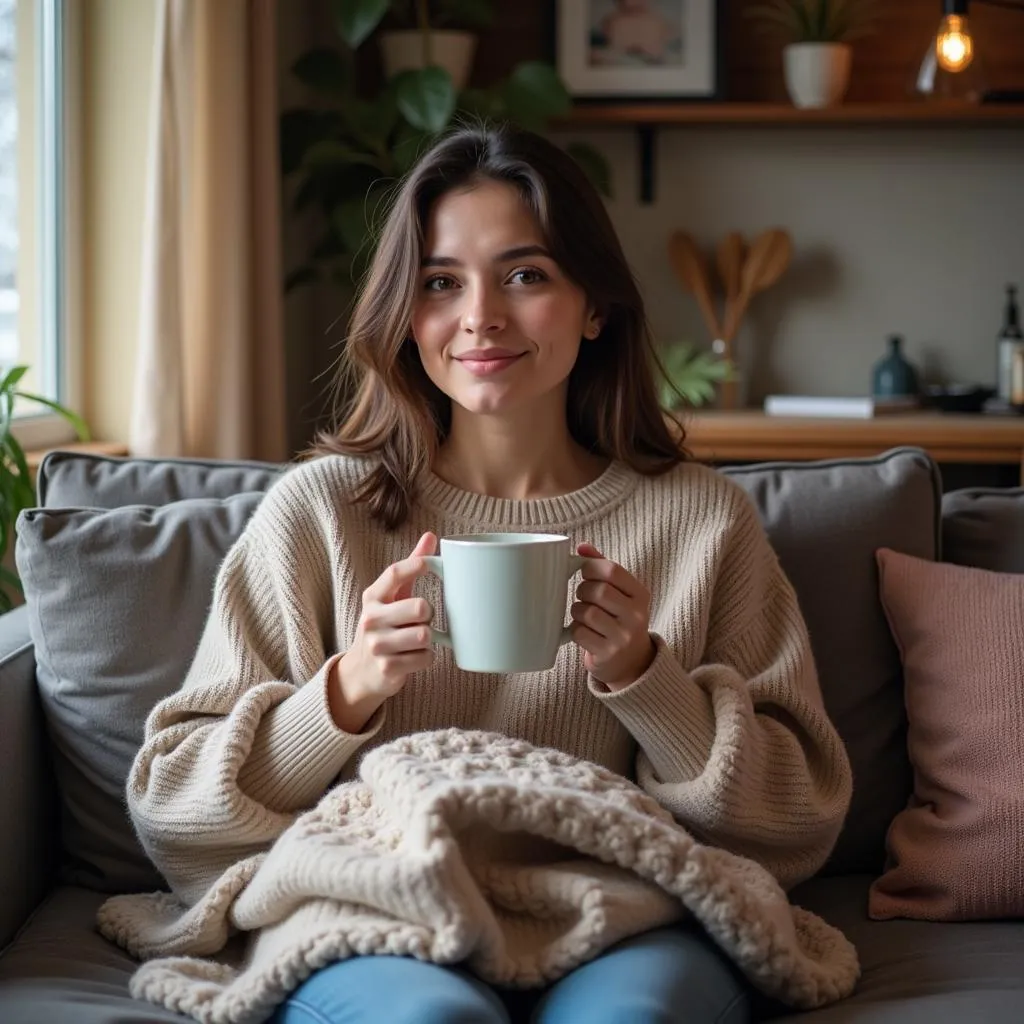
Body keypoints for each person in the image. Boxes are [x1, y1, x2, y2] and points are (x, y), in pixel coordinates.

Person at [120, 123, 853, 1024]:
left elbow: (799, 816)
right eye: (440, 282)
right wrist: (344, 693)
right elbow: (173, 808)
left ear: (595, 307)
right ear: (404, 313)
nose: (480, 317)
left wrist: (645, 680)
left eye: (526, 274)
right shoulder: (319, 513)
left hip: (627, 905)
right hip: (375, 900)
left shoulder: (703, 522)